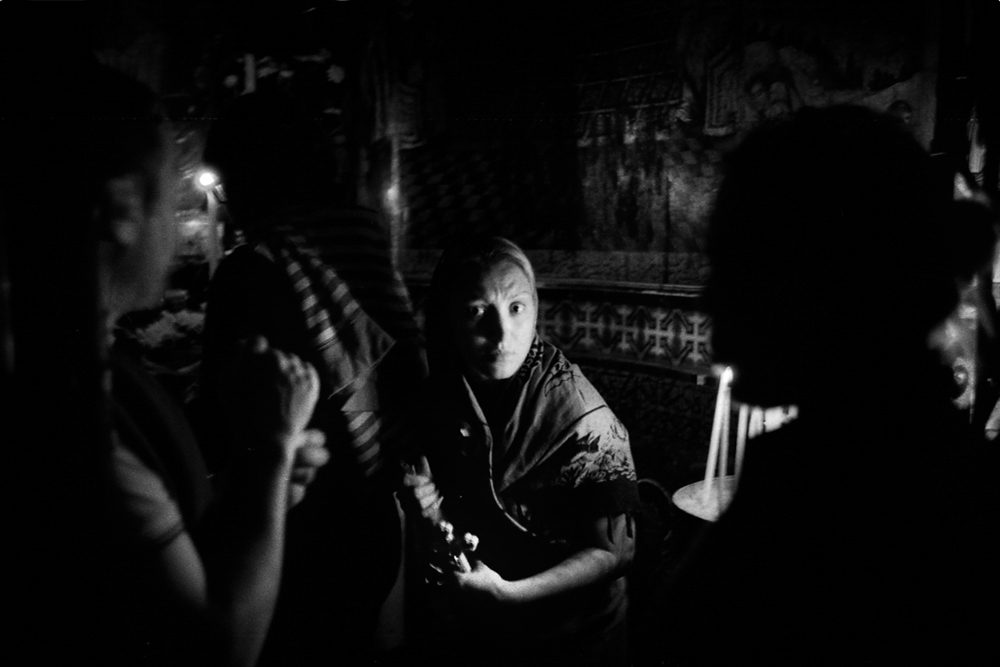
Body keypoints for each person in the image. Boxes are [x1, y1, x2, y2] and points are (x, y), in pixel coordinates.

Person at [641, 105, 999, 665]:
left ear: (826, 282)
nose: (710, 300)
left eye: (736, 268)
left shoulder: (868, 515)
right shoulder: (853, 467)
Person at [1, 61, 330, 666]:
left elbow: (139, 556)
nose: (182, 217)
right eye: (170, 188)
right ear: (122, 206)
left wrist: (254, 484)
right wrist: (268, 458)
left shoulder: (80, 365)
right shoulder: (66, 410)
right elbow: (223, 644)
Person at [200, 91, 426, 665]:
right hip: (374, 530)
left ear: (253, 178)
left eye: (226, 183)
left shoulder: (252, 271)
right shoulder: (365, 248)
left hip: (289, 546)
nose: (226, 205)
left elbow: (217, 432)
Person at [402, 236, 640, 666]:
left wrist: (508, 595)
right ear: (446, 317)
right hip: (488, 630)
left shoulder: (579, 413)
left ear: (536, 308)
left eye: (516, 307)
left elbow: (614, 552)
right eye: (478, 311)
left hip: (578, 635)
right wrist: (430, 507)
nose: (501, 334)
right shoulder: (446, 389)